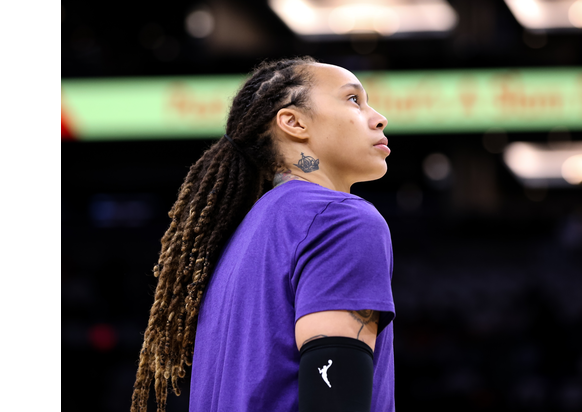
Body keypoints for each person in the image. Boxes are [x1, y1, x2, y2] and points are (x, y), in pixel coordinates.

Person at [130, 56, 395, 412]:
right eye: (353, 99)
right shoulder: (341, 220)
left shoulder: (239, 240)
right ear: (294, 122)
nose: (379, 118)